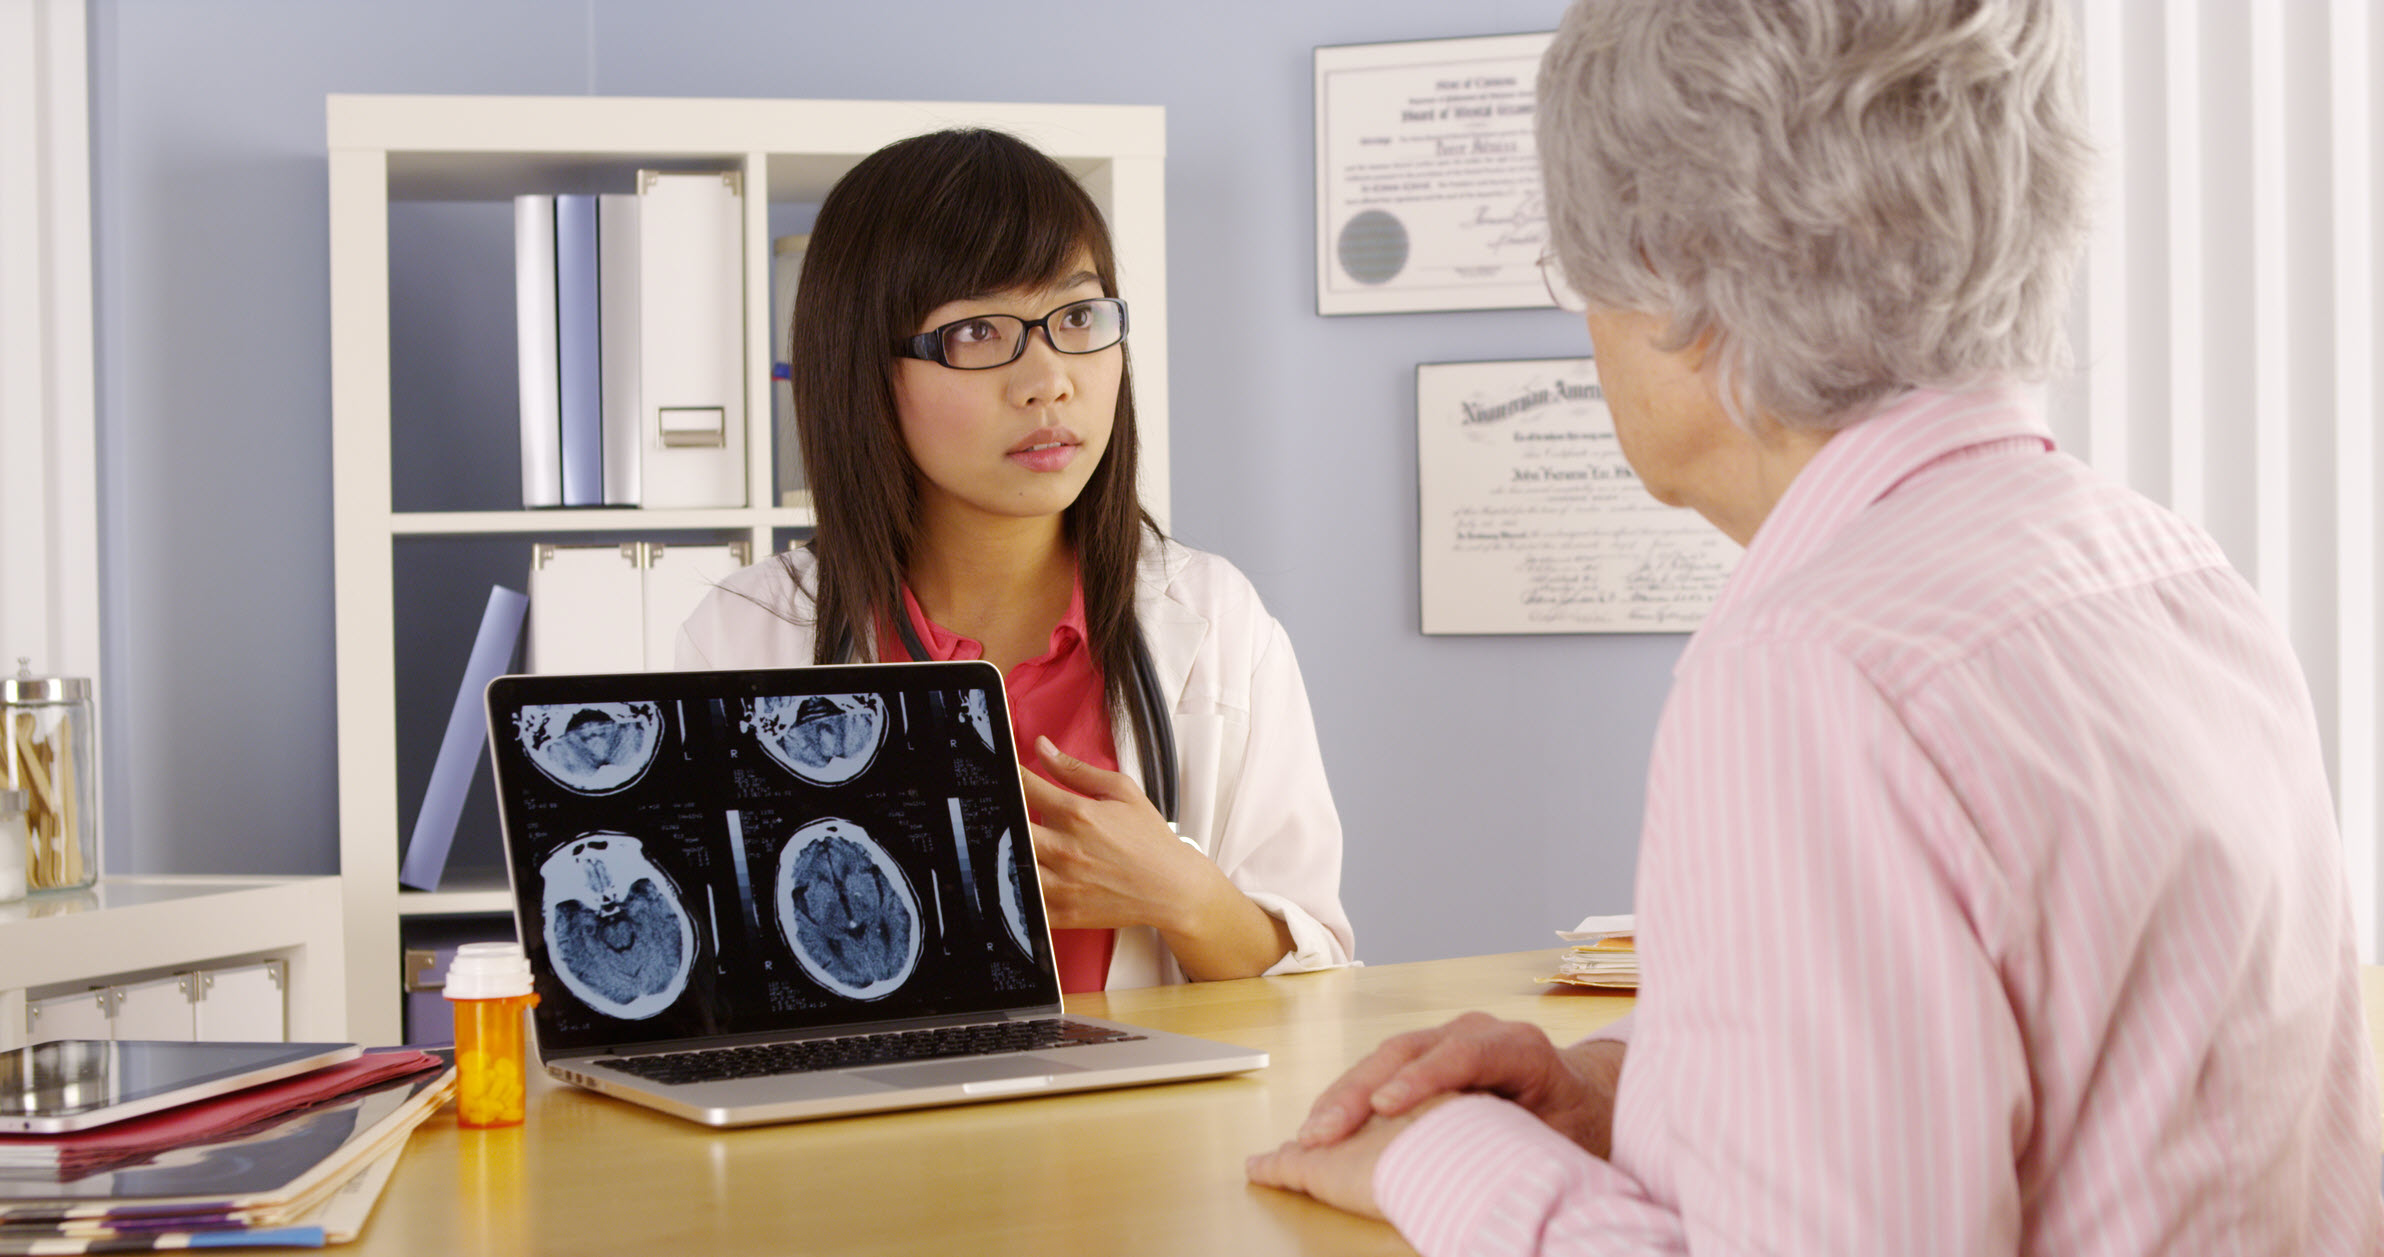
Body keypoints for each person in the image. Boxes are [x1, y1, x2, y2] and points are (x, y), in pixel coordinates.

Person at [1248, 1, 2384, 1252]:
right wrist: (1623, 1085)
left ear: (1677, 270)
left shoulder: (1814, 673)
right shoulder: (2172, 576)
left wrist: (1443, 1155)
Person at [676, 128, 1353, 991]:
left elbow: (1321, 993)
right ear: (862, 369)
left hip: (1151, 1128)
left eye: (1076, 318)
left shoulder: (1215, 623)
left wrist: (1182, 894)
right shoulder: (745, 635)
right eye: (979, 331)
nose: (1048, 380)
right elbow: (712, 991)